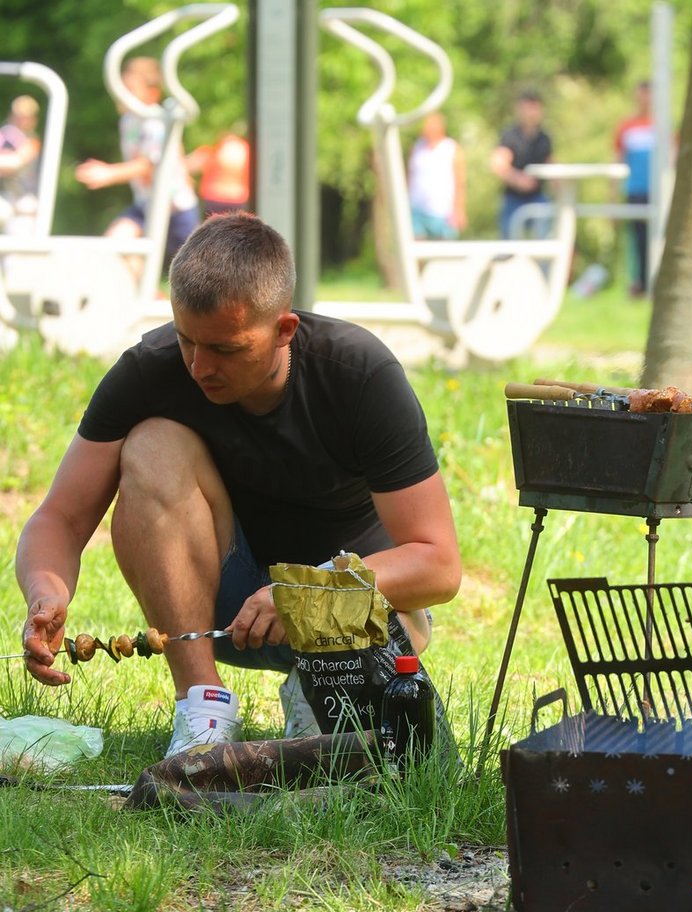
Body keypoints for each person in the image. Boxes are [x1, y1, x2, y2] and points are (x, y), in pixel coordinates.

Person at [17, 213, 462, 758]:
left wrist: (307, 591)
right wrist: (47, 593)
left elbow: (439, 564)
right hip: (222, 609)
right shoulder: (150, 370)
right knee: (152, 444)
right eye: (186, 341)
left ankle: (314, 691)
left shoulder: (359, 374)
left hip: (350, 616)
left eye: (225, 349)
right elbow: (59, 517)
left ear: (283, 330)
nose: (200, 367)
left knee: (335, 749)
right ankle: (202, 708)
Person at [75, 55, 199, 273]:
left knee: (192, 271)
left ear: (151, 94)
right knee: (117, 242)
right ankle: (145, 294)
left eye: (130, 89)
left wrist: (110, 173)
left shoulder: (155, 122)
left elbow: (149, 164)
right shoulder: (128, 120)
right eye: (121, 88)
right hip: (146, 204)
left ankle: (162, 298)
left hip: (174, 207)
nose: (122, 95)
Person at [489, 88, 553, 239]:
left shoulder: (544, 138)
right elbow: (498, 163)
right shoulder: (510, 135)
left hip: (537, 197)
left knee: (544, 238)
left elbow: (551, 166)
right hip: (513, 198)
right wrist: (518, 179)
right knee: (509, 245)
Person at [613, 80, 654, 297]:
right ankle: (638, 283)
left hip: (658, 192)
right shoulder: (626, 127)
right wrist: (612, 198)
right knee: (637, 240)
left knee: (656, 239)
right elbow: (618, 161)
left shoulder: (662, 126)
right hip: (635, 191)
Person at [406, 111, 466, 239]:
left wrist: (459, 209)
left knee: (445, 253)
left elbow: (460, 182)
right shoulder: (416, 147)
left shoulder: (451, 148)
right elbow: (410, 177)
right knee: (416, 249)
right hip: (417, 208)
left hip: (443, 211)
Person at [0, 95, 41, 236]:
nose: (23, 120)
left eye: (27, 116)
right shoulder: (5, 134)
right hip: (5, 197)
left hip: (24, 200)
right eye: (19, 115)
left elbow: (16, 162)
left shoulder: (32, 141)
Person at [187, 128, 251, 218]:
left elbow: (190, 165)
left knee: (213, 229)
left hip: (214, 197)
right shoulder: (246, 150)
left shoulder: (214, 149)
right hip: (238, 198)